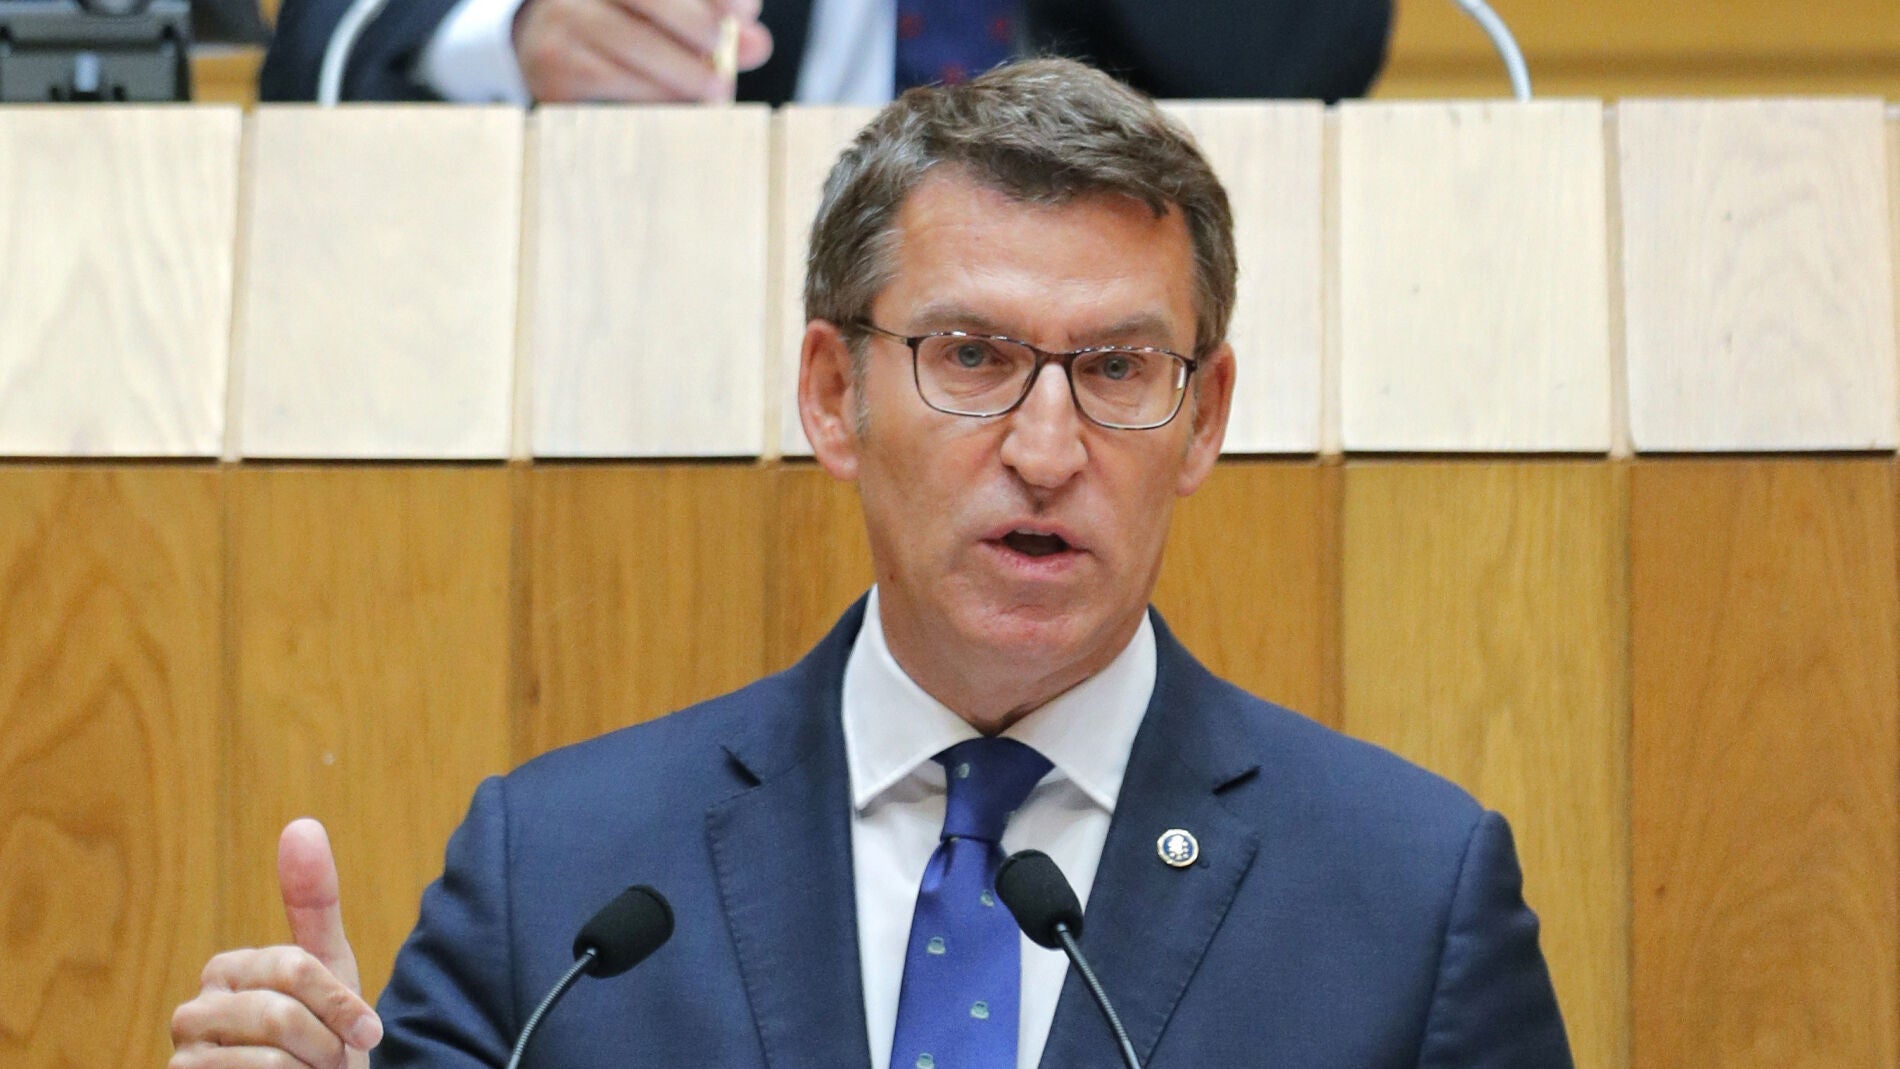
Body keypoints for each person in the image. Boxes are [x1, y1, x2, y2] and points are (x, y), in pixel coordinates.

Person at [170, 58, 1574, 1069]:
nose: (1046, 447)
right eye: (971, 356)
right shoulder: (562, 880)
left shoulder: (1408, 900)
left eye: (1116, 368)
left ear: (1202, 417)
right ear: (833, 395)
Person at [258, 0, 1392, 106]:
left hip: (1094, 342)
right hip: (676, 305)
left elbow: (1309, 49)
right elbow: (322, 47)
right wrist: (515, 38)